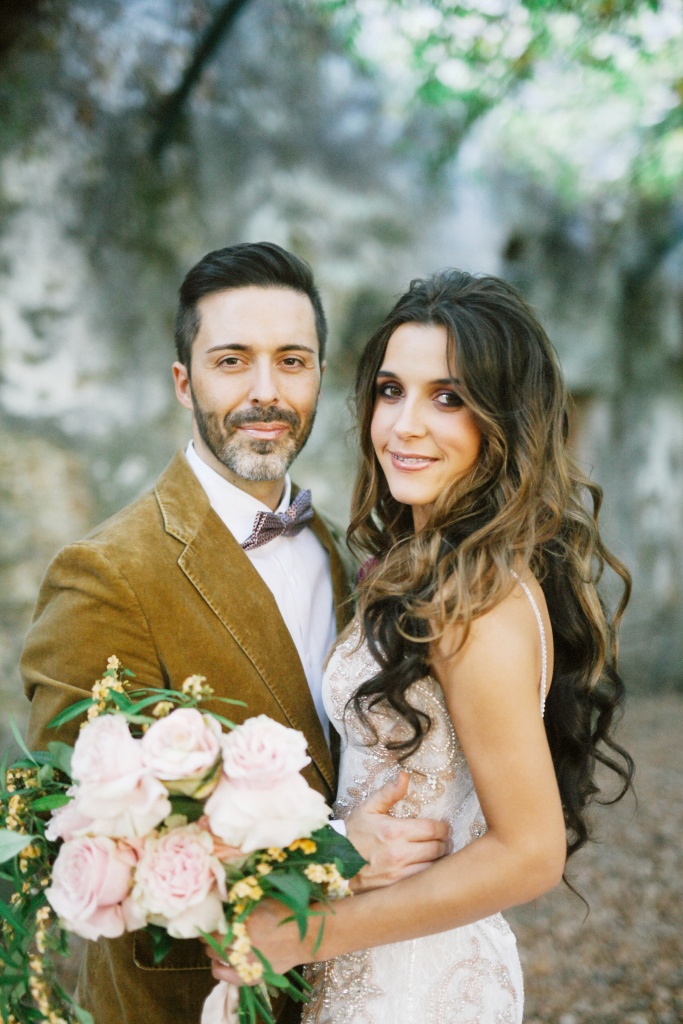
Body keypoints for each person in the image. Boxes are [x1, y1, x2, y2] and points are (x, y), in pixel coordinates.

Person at [20, 243, 448, 1024]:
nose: (265, 392)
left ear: (320, 376)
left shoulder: (348, 550)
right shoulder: (105, 574)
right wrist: (334, 855)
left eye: (292, 361)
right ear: (184, 382)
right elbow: (82, 827)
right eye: (231, 361)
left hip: (359, 988)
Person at [206, 268, 634, 1023]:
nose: (404, 425)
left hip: (416, 985)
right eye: (391, 390)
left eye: (448, 398)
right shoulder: (431, 567)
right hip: (378, 958)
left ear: (506, 421)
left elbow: (530, 851)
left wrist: (300, 933)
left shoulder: (478, 600)